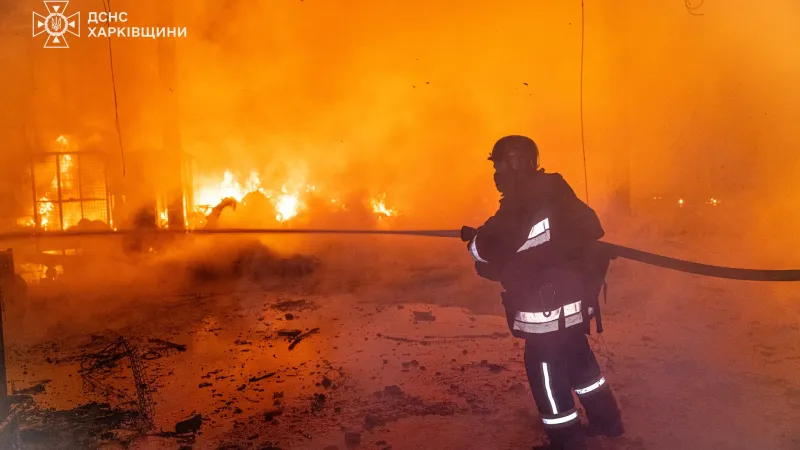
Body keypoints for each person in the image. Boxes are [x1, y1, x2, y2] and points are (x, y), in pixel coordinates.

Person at [462, 135, 624, 450]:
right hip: (574, 304)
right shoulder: (556, 189)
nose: (496, 173)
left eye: (499, 165)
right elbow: (589, 228)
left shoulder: (522, 201)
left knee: (546, 375)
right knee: (581, 365)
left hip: (545, 313)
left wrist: (475, 241)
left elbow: (490, 249)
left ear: (516, 163)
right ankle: (608, 423)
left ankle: (567, 442)